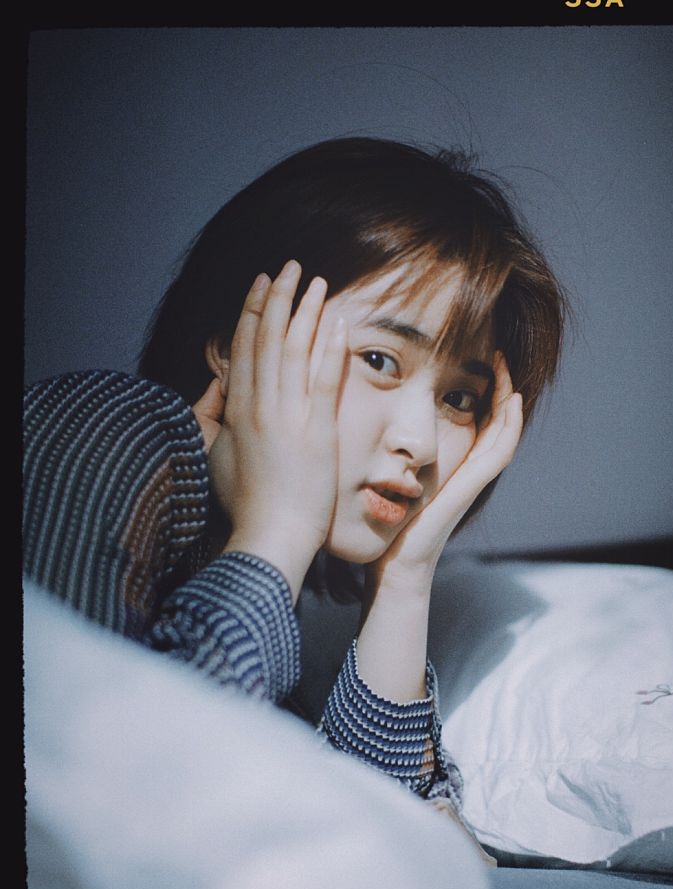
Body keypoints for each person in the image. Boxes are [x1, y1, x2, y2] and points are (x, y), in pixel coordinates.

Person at [23, 137, 565, 840]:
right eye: (380, 360)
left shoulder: (269, 585)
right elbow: (97, 805)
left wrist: (405, 579)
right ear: (235, 345)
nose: (423, 444)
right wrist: (278, 529)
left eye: (459, 400)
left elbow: (378, 841)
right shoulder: (106, 424)